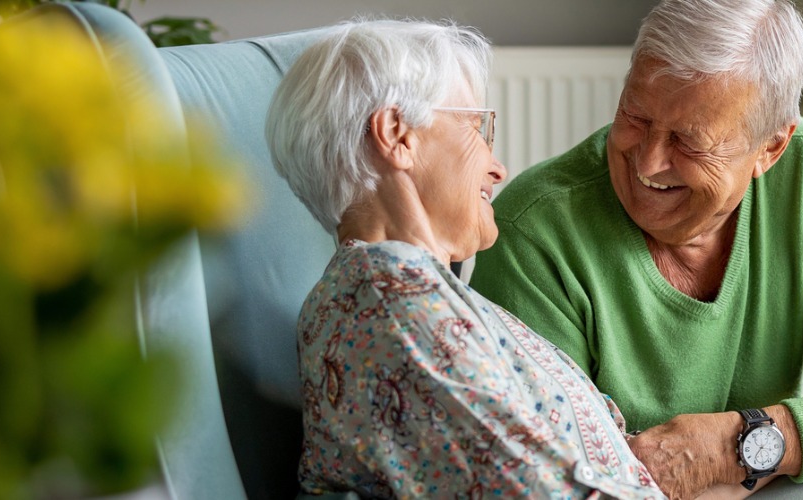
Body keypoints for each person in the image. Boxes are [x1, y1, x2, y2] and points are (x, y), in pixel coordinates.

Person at [471, 1, 803, 497]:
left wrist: (739, 447)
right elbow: (546, 479)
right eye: (635, 117)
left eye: (688, 140)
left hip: (761, 483)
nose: (648, 161)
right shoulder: (534, 230)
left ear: (771, 147)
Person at [266, 20, 664, 499]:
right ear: (398, 135)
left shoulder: (407, 290)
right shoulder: (391, 300)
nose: (499, 167)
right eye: (476, 127)